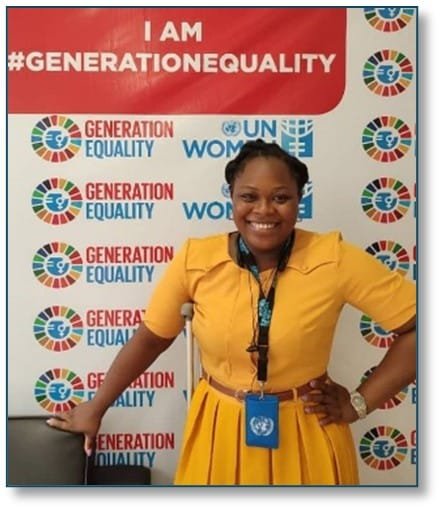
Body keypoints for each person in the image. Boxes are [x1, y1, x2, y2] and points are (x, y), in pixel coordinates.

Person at [47, 139, 416, 485]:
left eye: (281, 197)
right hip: (219, 428)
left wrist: (359, 403)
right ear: (232, 198)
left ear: (299, 200)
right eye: (249, 196)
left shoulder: (334, 258)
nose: (264, 210)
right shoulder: (196, 259)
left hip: (308, 431)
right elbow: (150, 340)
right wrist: (96, 408)